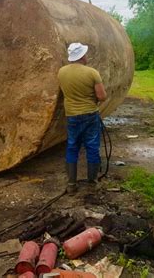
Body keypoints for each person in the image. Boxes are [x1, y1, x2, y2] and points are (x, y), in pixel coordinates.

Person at [57, 42, 107, 194]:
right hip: (90, 115)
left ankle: (71, 184)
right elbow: (102, 96)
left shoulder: (61, 72)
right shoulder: (92, 73)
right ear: (82, 56)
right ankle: (92, 182)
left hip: (72, 115)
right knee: (92, 147)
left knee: (72, 146)